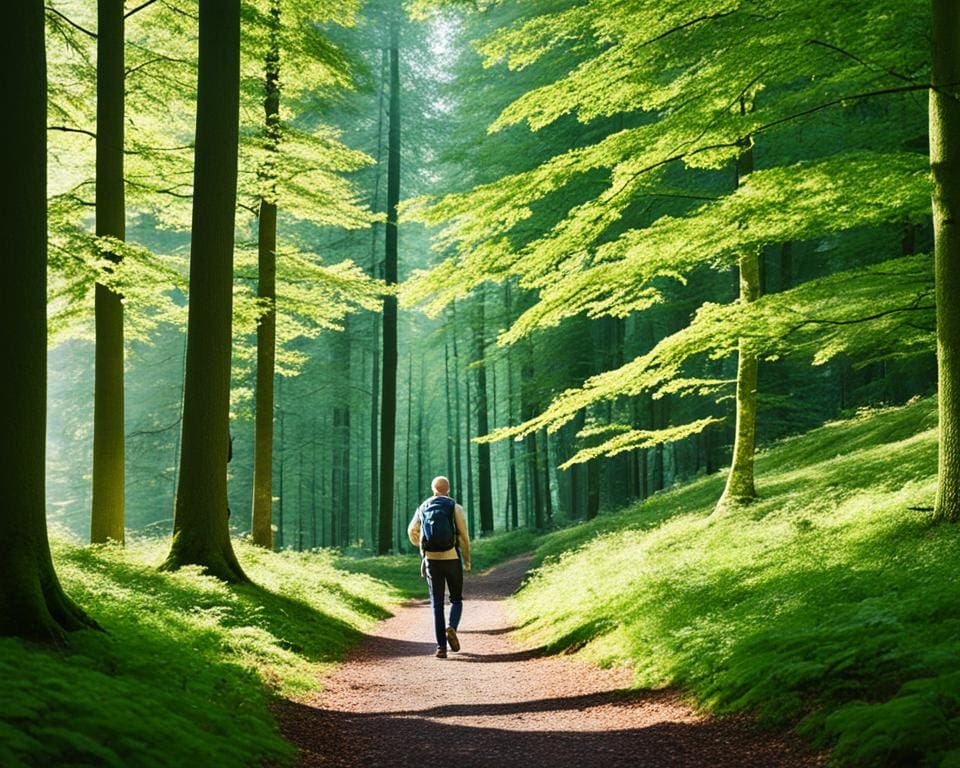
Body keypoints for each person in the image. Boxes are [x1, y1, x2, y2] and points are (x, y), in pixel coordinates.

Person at [408, 476, 471, 658]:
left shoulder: (423, 507)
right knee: (456, 599)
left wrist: (422, 547)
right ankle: (451, 627)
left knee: (436, 604)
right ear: (448, 489)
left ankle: (441, 648)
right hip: (451, 558)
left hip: (431, 561)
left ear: (433, 489)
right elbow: (463, 537)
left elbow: (412, 530)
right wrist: (466, 560)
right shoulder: (454, 507)